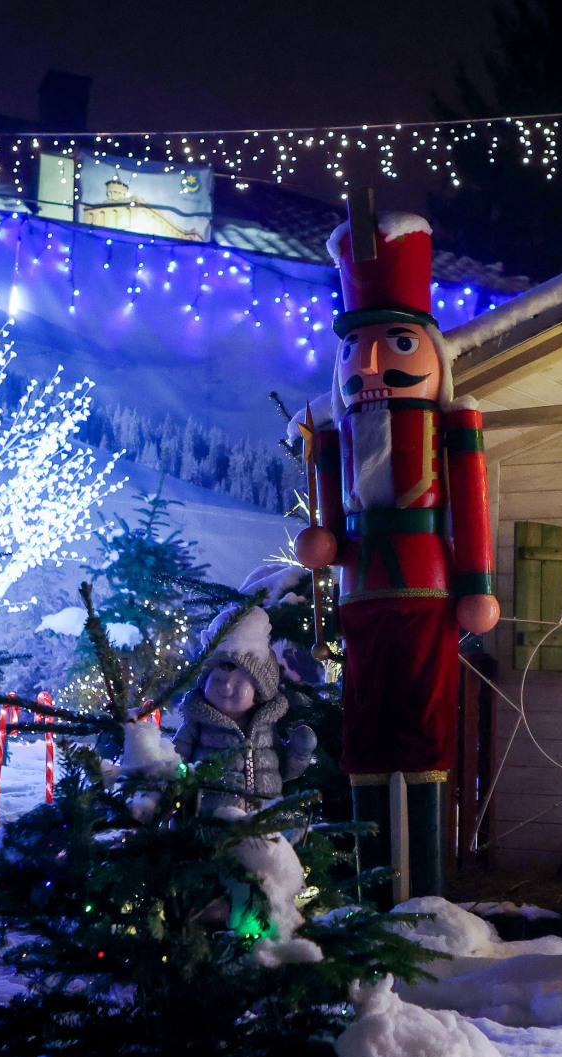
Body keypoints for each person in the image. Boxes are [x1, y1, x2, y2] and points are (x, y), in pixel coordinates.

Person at [292, 200, 497, 899]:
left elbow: (470, 503)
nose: (373, 362)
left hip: (428, 584)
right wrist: (322, 542)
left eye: (397, 342)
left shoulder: (452, 427)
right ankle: (374, 891)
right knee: (366, 721)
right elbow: (330, 522)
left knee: (425, 717)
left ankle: (428, 892)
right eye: (356, 348)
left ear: (432, 351)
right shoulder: (336, 434)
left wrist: (477, 583)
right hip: (361, 592)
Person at [172, 606, 315, 811]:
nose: (226, 687)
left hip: (264, 819)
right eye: (218, 679)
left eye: (239, 683)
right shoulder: (197, 727)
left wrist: (300, 753)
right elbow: (175, 763)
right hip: (214, 820)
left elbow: (284, 769)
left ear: (260, 692)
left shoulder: (266, 729)